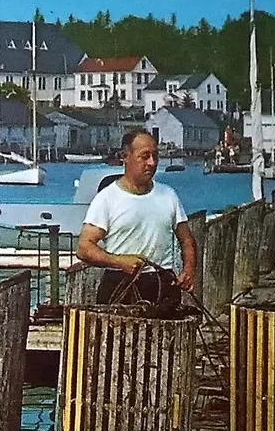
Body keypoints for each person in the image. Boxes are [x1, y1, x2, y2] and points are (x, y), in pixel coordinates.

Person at [75, 130, 197, 309]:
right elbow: (84, 248)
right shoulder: (107, 198)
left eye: (155, 156)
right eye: (144, 156)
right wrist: (120, 261)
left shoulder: (168, 195)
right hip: (121, 282)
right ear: (125, 157)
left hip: (161, 282)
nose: (152, 163)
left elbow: (186, 239)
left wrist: (189, 270)